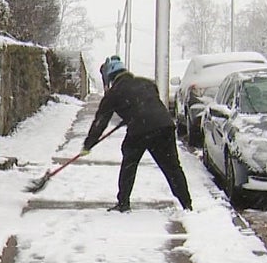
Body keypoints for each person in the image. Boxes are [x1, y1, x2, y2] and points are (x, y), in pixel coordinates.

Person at [82, 56, 193, 213]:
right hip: (164, 126)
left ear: (110, 77)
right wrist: (131, 113)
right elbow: (147, 102)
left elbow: (100, 121)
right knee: (172, 167)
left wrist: (88, 144)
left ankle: (123, 203)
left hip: (140, 130)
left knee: (129, 163)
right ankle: (187, 204)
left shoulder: (114, 93)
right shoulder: (147, 83)